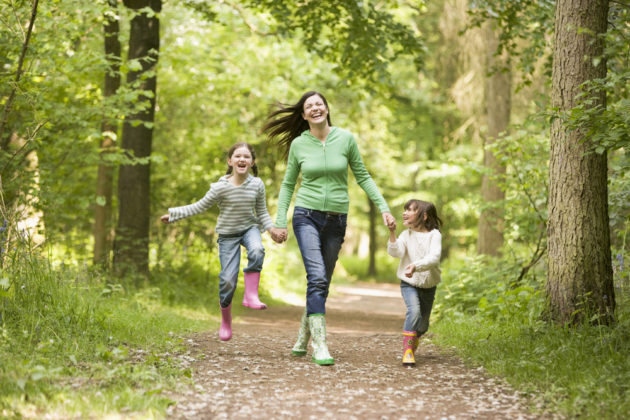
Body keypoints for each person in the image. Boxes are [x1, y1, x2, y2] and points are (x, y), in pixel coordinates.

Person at [262, 91, 395, 365]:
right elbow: (288, 184)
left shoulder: (345, 139)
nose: (315, 108)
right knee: (318, 277)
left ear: (326, 109)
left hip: (337, 219)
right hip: (306, 216)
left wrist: (383, 207)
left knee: (322, 283)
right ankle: (320, 345)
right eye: (309, 106)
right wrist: (279, 221)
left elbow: (363, 175)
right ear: (303, 115)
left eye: (319, 104)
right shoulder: (300, 144)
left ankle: (302, 335)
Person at [160, 142, 285, 342]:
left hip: (249, 229)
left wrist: (271, 230)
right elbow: (198, 206)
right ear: (230, 161)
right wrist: (174, 215)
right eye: (237, 156)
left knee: (257, 250)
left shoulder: (257, 184)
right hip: (227, 235)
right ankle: (226, 320)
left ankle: (250, 295)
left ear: (252, 162)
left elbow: (261, 212)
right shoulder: (220, 187)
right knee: (228, 280)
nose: (242, 159)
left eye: (246, 156)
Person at [387, 199, 443, 366]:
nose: (405, 213)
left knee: (423, 325)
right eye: (405, 209)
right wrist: (392, 233)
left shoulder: (435, 235)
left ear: (424, 216)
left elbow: (433, 258)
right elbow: (396, 253)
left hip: (429, 285)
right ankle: (408, 351)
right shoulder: (406, 235)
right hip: (408, 282)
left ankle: (414, 337)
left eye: (410, 210)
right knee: (414, 311)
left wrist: (416, 266)